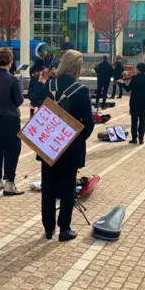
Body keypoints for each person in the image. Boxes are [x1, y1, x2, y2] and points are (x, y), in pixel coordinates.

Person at [30, 50, 94, 242]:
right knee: (67, 189)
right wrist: (77, 140)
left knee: (48, 188)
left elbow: (35, 105)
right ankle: (64, 229)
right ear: (77, 67)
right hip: (70, 148)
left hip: (48, 145)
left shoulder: (49, 84)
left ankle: (48, 228)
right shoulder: (81, 90)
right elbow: (89, 124)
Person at [0, 48, 25, 196]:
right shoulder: (13, 79)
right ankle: (9, 183)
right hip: (10, 119)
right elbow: (19, 101)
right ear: (10, 61)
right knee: (11, 151)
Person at [118, 63, 145, 144]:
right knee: (142, 121)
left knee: (134, 122)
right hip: (144, 102)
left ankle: (134, 139)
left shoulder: (135, 78)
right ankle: (141, 139)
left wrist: (122, 83)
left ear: (139, 69)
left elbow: (128, 89)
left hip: (134, 102)